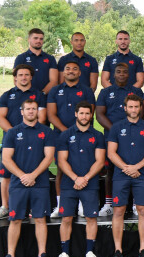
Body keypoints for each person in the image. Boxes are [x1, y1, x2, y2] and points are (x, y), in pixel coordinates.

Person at [0, 99, 55, 257]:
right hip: (18, 183)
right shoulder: (12, 132)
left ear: (38, 111)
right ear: (21, 112)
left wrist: (33, 176)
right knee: (14, 220)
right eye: (28, 109)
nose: (31, 111)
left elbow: (49, 157)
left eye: (34, 109)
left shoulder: (46, 132)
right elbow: (6, 159)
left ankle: (42, 255)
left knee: (39, 219)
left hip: (40, 183)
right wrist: (23, 176)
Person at [107, 94, 144, 257]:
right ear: (125, 108)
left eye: (137, 107)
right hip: (121, 176)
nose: (134, 110)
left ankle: (143, 250)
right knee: (118, 211)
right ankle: (117, 250)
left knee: (143, 211)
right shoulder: (116, 127)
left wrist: (136, 167)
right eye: (131, 107)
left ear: (140, 108)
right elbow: (111, 153)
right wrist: (126, 168)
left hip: (141, 176)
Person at [54, 101, 105, 257]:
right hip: (69, 184)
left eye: (87, 113)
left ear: (91, 115)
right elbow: (61, 161)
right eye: (81, 113)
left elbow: (100, 161)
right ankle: (64, 253)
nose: (84, 116)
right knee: (66, 218)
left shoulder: (98, 136)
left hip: (90, 184)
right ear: (76, 114)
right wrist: (76, 178)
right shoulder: (65, 135)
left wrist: (85, 178)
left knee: (91, 218)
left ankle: (89, 252)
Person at [0, 65, 46, 220]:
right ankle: (5, 207)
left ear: (31, 77)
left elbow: (41, 118)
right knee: (7, 175)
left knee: (32, 174)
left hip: (35, 143)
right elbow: (0, 118)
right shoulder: (6, 96)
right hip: (11, 143)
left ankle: (30, 209)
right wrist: (15, 135)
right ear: (15, 78)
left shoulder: (39, 95)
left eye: (27, 75)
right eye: (20, 75)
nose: (23, 77)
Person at [47, 61, 96, 218]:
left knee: (84, 168)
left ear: (80, 73)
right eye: (67, 69)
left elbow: (90, 113)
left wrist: (77, 131)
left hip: (84, 135)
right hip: (61, 136)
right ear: (63, 72)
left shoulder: (87, 91)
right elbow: (51, 115)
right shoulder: (55, 91)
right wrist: (67, 132)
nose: (71, 71)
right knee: (61, 169)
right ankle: (60, 204)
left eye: (75, 69)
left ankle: (83, 204)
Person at [96, 63, 143, 217]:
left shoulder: (136, 91)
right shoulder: (105, 92)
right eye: (118, 72)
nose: (121, 74)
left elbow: (141, 114)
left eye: (124, 72)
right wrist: (116, 131)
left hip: (134, 136)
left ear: (128, 75)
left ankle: (137, 202)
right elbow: (100, 114)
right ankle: (109, 203)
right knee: (111, 170)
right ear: (112, 75)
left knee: (136, 167)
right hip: (111, 137)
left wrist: (129, 130)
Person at [13, 28, 58, 94]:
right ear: (29, 39)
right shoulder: (21, 58)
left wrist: (41, 94)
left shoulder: (50, 58)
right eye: (35, 38)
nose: (38, 41)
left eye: (41, 39)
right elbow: (16, 80)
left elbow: (54, 81)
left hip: (45, 97)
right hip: (26, 98)